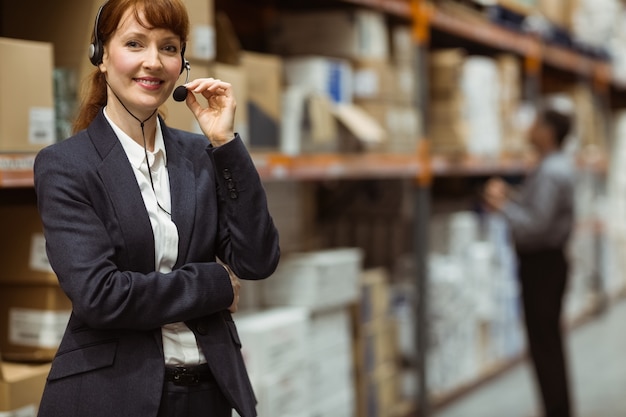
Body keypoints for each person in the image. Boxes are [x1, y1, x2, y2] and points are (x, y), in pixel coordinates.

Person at [33, 1, 280, 416]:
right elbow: (101, 296)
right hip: (114, 397)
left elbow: (258, 259)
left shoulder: (200, 155)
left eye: (168, 48)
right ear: (101, 56)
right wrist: (214, 283)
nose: (153, 62)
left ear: (181, 63)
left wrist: (225, 145)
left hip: (208, 393)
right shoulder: (66, 165)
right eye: (135, 43)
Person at [484, 106, 575, 417]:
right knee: (546, 341)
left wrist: (501, 208)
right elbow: (537, 206)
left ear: (548, 132)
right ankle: (555, 406)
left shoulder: (551, 171)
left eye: (535, 124)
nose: (529, 129)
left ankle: (557, 409)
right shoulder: (551, 166)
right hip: (547, 263)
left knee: (544, 342)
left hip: (543, 265)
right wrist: (511, 195)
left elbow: (536, 224)